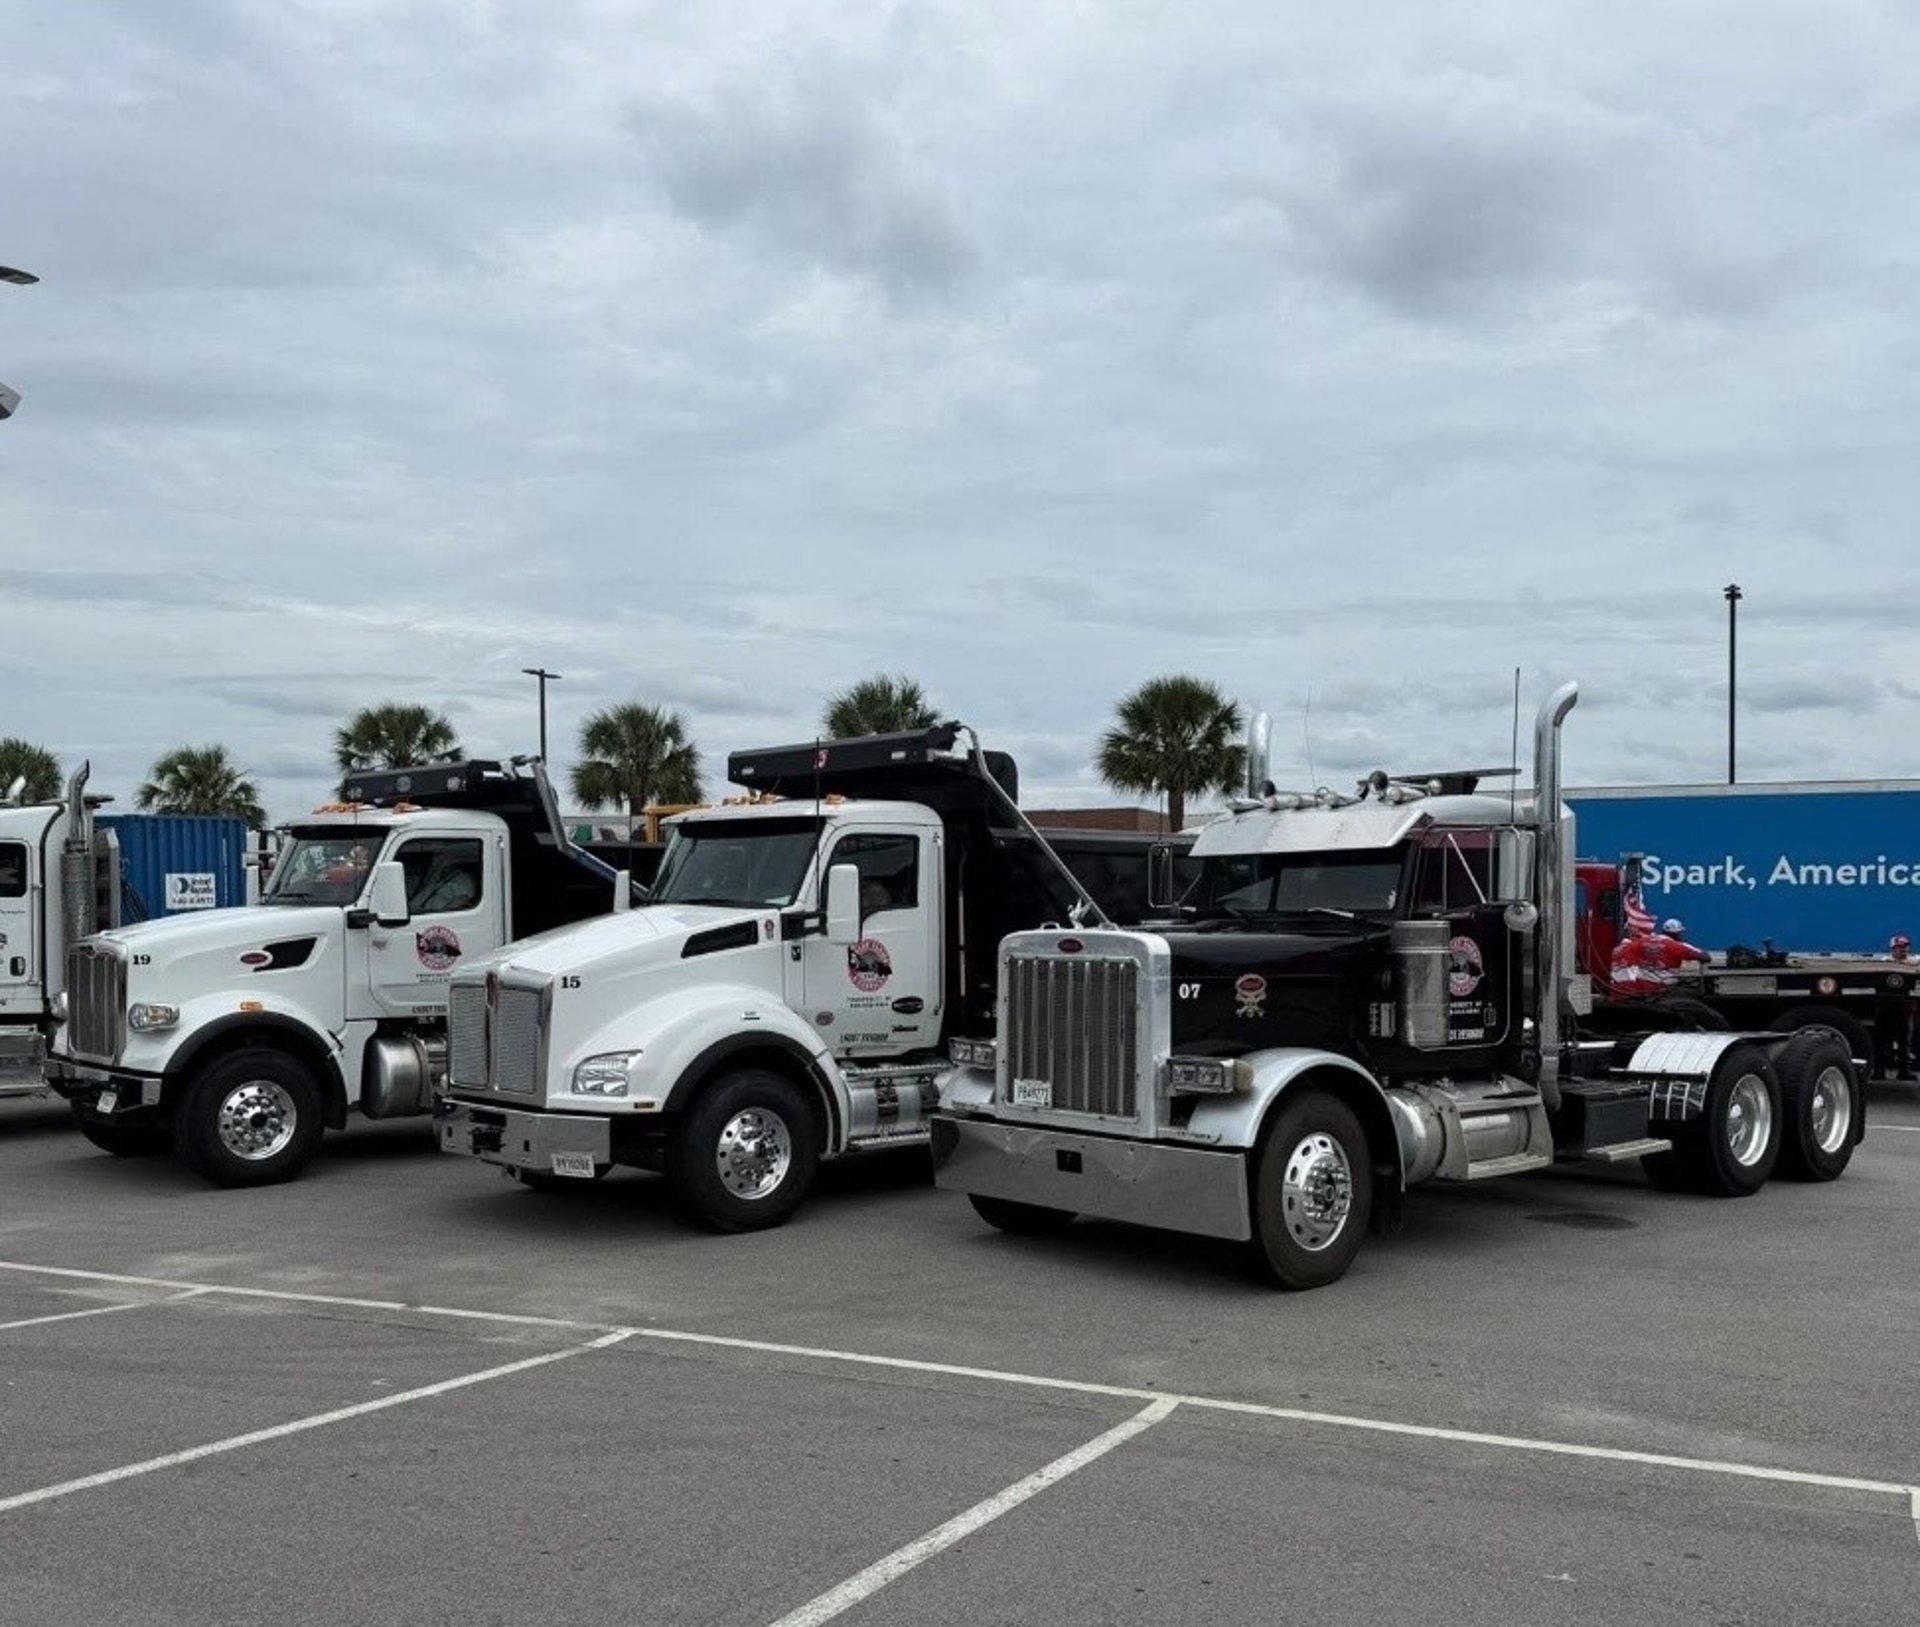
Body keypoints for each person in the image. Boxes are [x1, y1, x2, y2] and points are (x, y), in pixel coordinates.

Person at [1883, 935, 1916, 1080]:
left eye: (1905, 947)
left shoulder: (1914, 962)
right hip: (1886, 1007)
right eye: (1900, 947)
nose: (1903, 950)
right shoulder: (1884, 964)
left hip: (1905, 1007)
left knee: (1905, 1041)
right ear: (1893, 949)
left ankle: (1904, 1071)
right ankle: (1879, 1071)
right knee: (1883, 1040)